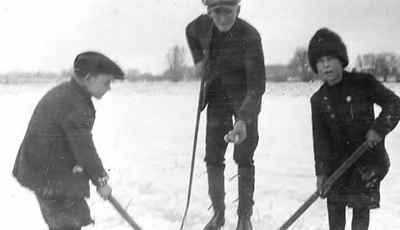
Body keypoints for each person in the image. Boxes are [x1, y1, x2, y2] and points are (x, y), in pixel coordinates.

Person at [12, 51, 124, 230]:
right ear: (89, 78)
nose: (109, 87)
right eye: (106, 82)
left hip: (52, 171)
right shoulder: (73, 104)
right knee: (66, 223)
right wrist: (101, 181)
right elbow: (84, 148)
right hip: (48, 176)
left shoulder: (71, 94)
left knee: (74, 218)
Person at [309, 28, 400, 230]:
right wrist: (322, 173)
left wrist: (379, 128)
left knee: (360, 211)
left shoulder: (363, 83)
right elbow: (320, 139)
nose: (325, 65)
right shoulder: (318, 100)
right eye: (320, 61)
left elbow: (395, 104)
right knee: (335, 212)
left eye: (330, 58)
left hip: (366, 161)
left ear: (341, 59)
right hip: (336, 166)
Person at [186, 0, 266, 229]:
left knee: (243, 157)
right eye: (216, 12)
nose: (222, 18)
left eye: (228, 12)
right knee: (212, 157)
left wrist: (243, 120)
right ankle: (218, 215)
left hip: (245, 101)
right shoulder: (201, 25)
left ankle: (244, 218)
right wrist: (198, 60)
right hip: (216, 98)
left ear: (238, 10)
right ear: (209, 12)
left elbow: (257, 86)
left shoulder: (250, 36)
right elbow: (189, 31)